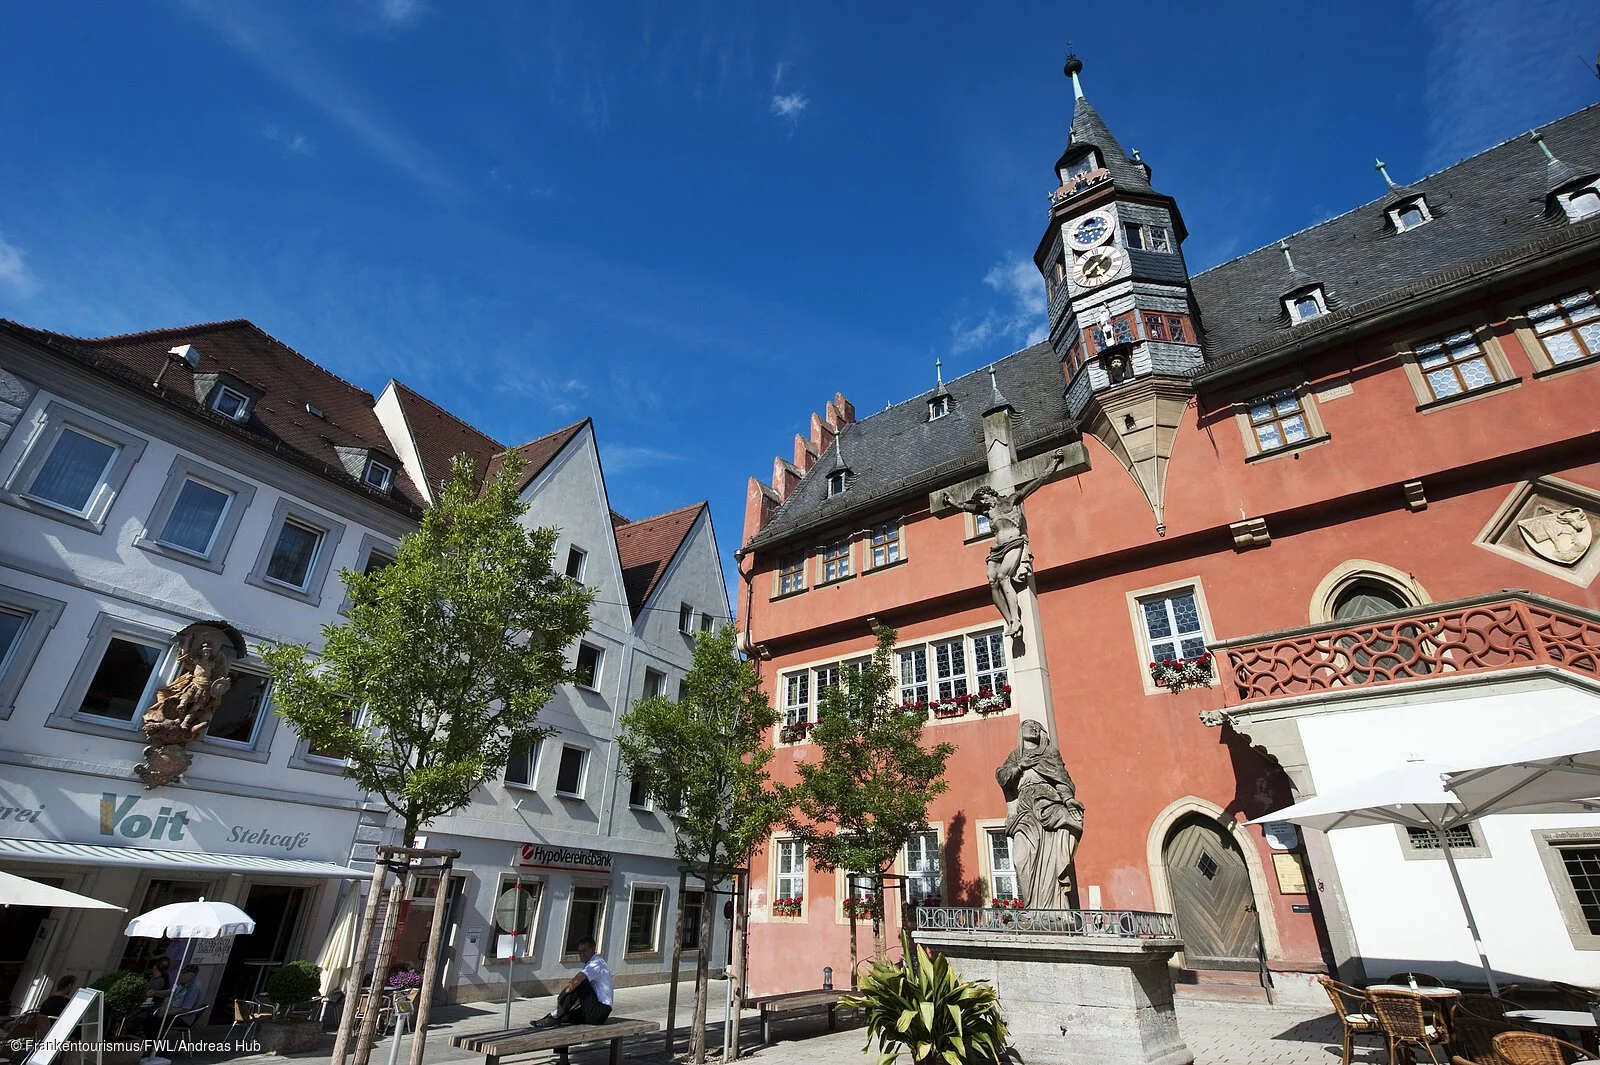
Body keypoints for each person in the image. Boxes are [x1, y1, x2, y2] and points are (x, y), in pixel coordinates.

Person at [941, 449, 1066, 638]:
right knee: (992, 581)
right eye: (981, 502)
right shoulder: (987, 511)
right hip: (997, 549)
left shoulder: (1011, 500)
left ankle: (1016, 620)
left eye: (983, 499)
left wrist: (1052, 464)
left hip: (1014, 542)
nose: (983, 504)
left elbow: (1036, 482)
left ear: (991, 495)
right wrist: (952, 501)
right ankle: (1008, 619)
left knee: (1003, 577)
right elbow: (964, 507)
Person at [996, 719, 1084, 910]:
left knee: (1051, 859)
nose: (1034, 728)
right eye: (1029, 726)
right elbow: (1002, 777)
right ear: (1021, 731)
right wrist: (1020, 765)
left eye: (1037, 726)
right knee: (1021, 859)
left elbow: (1062, 779)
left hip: (1048, 802)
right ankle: (1032, 907)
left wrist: (1068, 799)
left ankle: (1055, 910)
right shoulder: (1015, 755)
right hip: (1025, 811)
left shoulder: (1050, 753)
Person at [529, 937, 612, 1028]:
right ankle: (550, 1017)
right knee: (565, 1016)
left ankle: (553, 1017)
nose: (581, 954)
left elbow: (577, 981)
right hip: (594, 1010)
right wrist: (568, 1005)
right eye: (579, 952)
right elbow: (583, 995)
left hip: (600, 1011)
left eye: (584, 951)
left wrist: (562, 995)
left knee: (581, 982)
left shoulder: (596, 963)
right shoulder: (591, 963)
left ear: (592, 950)